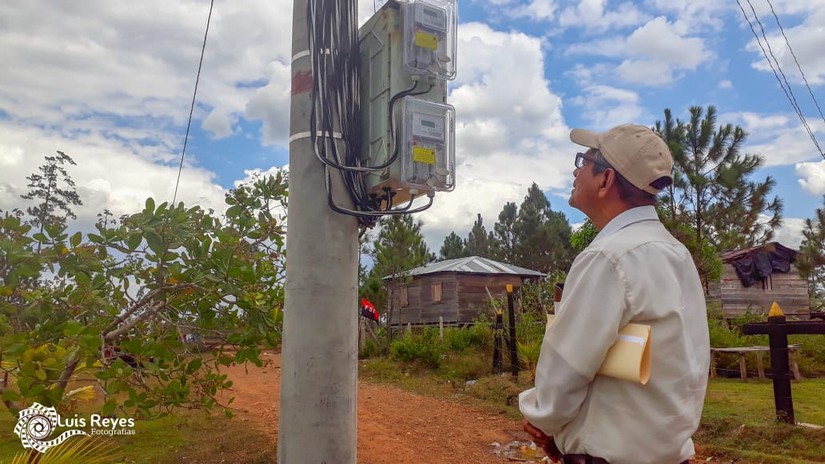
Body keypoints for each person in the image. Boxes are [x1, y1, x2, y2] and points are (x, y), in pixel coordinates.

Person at [519, 124, 710, 464]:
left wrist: (542, 418)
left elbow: (567, 365)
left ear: (606, 180)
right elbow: (688, 362)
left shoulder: (607, 256)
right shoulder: (676, 253)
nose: (575, 170)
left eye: (584, 161)